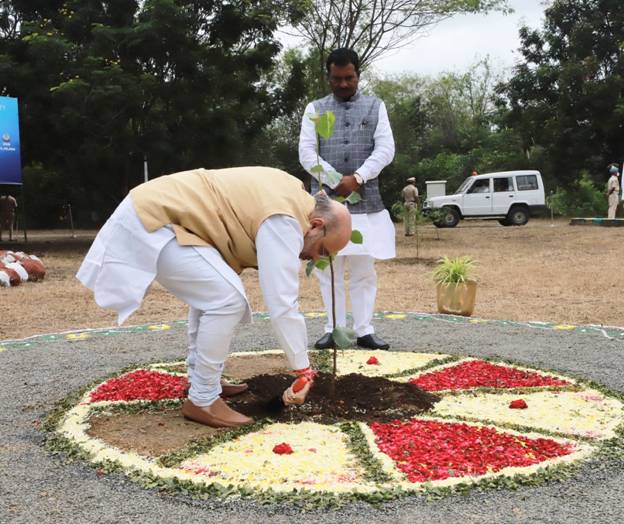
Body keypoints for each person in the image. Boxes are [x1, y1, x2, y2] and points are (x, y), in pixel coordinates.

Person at [77, 167, 352, 428]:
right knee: (226, 300)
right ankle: (203, 399)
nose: (316, 258)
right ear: (316, 225)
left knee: (216, 294)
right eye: (323, 251)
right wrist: (303, 369)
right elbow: (282, 302)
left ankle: (203, 382)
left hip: (159, 215)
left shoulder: (293, 196)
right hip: (155, 220)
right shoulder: (284, 219)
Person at [298, 48, 395, 351]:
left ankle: (364, 330)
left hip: (366, 201)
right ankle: (334, 328)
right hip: (327, 203)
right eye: (337, 79)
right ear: (328, 77)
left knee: (364, 269)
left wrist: (358, 178)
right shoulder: (315, 109)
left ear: (358, 75)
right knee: (328, 268)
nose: (343, 84)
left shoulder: (375, 106)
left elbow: (385, 149)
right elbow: (306, 152)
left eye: (348, 78)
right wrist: (334, 180)